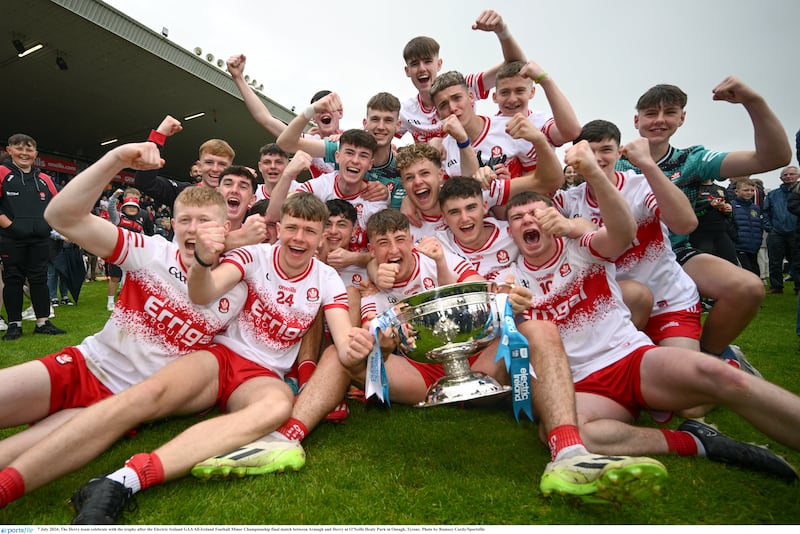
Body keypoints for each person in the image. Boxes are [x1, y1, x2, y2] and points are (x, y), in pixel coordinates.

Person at [192, 207, 669, 503]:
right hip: (419, 376)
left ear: (409, 239)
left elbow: (480, 292)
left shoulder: (437, 260)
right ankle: (286, 438)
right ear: (372, 250)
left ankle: (567, 454)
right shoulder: (370, 286)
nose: (394, 249)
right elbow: (373, 348)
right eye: (382, 243)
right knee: (346, 354)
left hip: (479, 365)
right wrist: (375, 333)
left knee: (537, 329)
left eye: (400, 239)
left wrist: (472, 279)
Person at [500, 144, 799, 483]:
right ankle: (694, 441)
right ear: (509, 231)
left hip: (632, 359)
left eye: (535, 213)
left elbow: (623, 233)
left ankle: (728, 367)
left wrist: (594, 176)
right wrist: (507, 306)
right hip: (582, 385)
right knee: (565, 434)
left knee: (724, 379)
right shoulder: (508, 279)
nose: (528, 221)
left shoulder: (581, 245)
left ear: (552, 218)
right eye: (517, 218)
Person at [0, 142, 247, 510]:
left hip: (117, 404)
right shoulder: (149, 250)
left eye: (205, 221)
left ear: (225, 227)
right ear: (171, 223)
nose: (193, 230)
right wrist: (116, 159)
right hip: (83, 364)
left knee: (11, 456)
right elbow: (61, 216)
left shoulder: (239, 288)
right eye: (184, 220)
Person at [616, 78, 790, 368]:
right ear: (636, 120)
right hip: (622, 259)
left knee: (747, 287)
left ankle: (711, 357)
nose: (659, 120)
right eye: (650, 113)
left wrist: (752, 101)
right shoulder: (615, 158)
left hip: (675, 253)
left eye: (669, 112)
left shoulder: (691, 160)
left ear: (682, 118)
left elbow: (774, 157)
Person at [398, 9, 526, 144]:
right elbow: (377, 134)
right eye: (414, 64)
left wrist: (502, 31)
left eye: (428, 61)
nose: (422, 68)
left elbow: (517, 65)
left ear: (439, 64)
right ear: (407, 71)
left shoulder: (463, 85)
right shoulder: (405, 111)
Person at [277, 91, 404, 209]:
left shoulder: (401, 169)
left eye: (388, 120)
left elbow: (398, 220)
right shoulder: (342, 148)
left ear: (398, 125)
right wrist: (311, 110)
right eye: (375, 119)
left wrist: (387, 197)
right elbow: (286, 143)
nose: (381, 127)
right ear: (365, 123)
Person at [226, 54, 341, 178]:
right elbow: (265, 119)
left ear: (340, 113)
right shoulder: (307, 141)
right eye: (319, 109)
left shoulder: (355, 138)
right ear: (313, 117)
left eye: (329, 108)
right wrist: (238, 78)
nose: (324, 112)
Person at [0, 133, 66, 340]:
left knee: (39, 279)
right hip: (11, 238)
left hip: (39, 239)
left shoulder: (44, 178)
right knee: (13, 280)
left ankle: (43, 322)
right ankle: (14, 324)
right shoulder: (2, 173)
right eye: (19, 148)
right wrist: (12, 227)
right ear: (9, 151)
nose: (24, 153)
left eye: (29, 150)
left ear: (35, 154)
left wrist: (49, 227)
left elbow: (57, 206)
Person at [492, 60, 581, 151]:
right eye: (504, 93)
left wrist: (546, 80)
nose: (512, 99)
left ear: (532, 92)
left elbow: (572, 133)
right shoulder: (485, 127)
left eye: (519, 91)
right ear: (495, 97)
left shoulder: (541, 122)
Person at [763, 166, 799, 294]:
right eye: (785, 174)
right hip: (776, 232)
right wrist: (769, 228)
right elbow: (765, 212)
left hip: (796, 231)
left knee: (797, 260)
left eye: (792, 174)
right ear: (781, 178)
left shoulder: (798, 193)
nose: (788, 176)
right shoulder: (773, 194)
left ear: (798, 176)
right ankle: (776, 286)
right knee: (775, 261)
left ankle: (798, 287)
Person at [690, 177, 738, 266]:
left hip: (721, 232)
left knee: (732, 264)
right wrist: (710, 206)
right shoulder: (691, 189)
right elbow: (691, 214)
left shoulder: (721, 189)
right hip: (701, 234)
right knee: (706, 266)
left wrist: (728, 210)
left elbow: (729, 214)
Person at [732, 178, 764, 277]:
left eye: (752, 190)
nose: (749, 193)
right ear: (736, 191)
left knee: (755, 272)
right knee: (745, 272)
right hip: (739, 246)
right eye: (746, 190)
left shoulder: (755, 208)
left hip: (753, 245)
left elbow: (758, 226)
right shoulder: (731, 206)